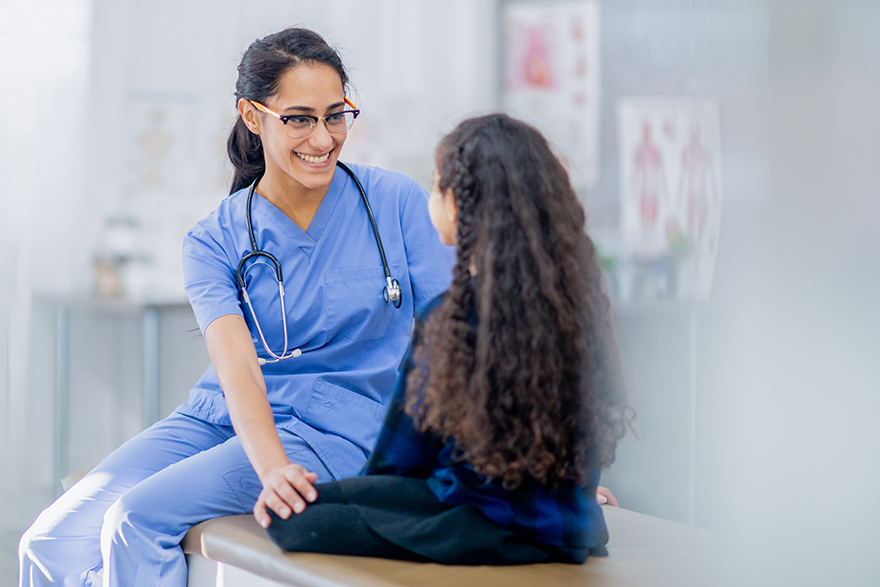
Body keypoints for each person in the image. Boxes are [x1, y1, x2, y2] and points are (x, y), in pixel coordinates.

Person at [19, 27, 453, 587]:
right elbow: (237, 366)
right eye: (299, 118)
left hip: (336, 427)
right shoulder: (215, 238)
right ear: (253, 116)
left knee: (136, 520)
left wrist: (533, 470)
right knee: (48, 542)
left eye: (335, 115)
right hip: (220, 416)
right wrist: (267, 463)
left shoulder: (392, 202)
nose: (322, 138)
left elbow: (461, 339)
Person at [265, 114, 632, 564]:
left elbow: (400, 466)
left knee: (291, 516)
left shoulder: (453, 318)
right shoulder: (577, 306)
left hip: (475, 518)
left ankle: (509, 541)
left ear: (458, 204)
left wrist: (359, 492)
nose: (431, 199)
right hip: (570, 521)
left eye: (437, 187)